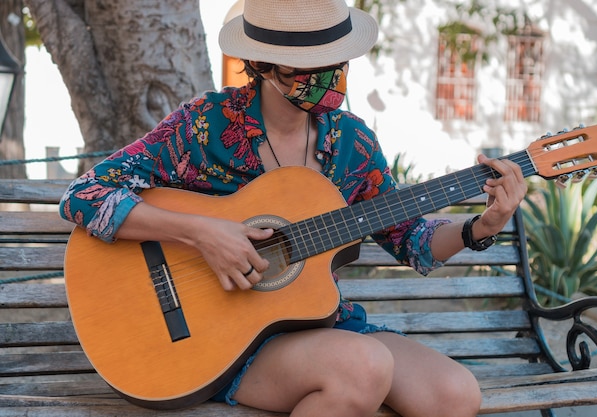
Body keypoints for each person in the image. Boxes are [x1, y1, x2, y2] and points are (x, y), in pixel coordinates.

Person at [59, 0, 527, 416]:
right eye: (309, 65)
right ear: (262, 64)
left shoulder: (352, 143)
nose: (330, 74)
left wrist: (482, 225)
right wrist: (202, 233)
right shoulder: (205, 124)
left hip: (317, 324)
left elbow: (412, 241)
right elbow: (84, 195)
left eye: (336, 59)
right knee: (361, 368)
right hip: (213, 340)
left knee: (455, 396)